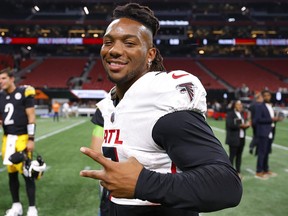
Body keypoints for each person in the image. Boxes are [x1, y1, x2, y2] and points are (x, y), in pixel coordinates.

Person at [80, 3, 242, 216]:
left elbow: (227, 186)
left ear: (150, 55)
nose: (114, 50)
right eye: (108, 42)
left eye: (129, 43)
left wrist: (143, 183)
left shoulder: (163, 98)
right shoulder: (113, 101)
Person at [0, 68, 38, 216]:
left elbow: (31, 117)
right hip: (7, 138)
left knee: (27, 172)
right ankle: (16, 205)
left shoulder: (24, 92)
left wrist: (31, 138)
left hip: (22, 137)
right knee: (11, 174)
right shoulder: (1, 96)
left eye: (3, 78)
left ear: (11, 78)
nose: (1, 82)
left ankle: (32, 208)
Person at [253, 89, 282, 180]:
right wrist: (272, 119)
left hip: (270, 131)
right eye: (265, 95)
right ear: (262, 96)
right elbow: (256, 120)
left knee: (267, 151)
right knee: (262, 152)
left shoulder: (271, 106)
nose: (267, 97)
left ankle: (265, 169)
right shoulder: (259, 106)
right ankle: (259, 171)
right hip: (263, 132)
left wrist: (275, 120)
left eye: (268, 95)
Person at [225, 100, 250, 178]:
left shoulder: (242, 114)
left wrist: (247, 125)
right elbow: (230, 125)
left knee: (239, 156)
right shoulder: (230, 114)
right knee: (232, 156)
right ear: (234, 106)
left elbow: (243, 126)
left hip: (241, 138)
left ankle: (238, 172)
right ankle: (230, 173)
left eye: (241, 105)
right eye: (238, 105)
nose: (240, 106)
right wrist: (241, 126)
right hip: (233, 138)